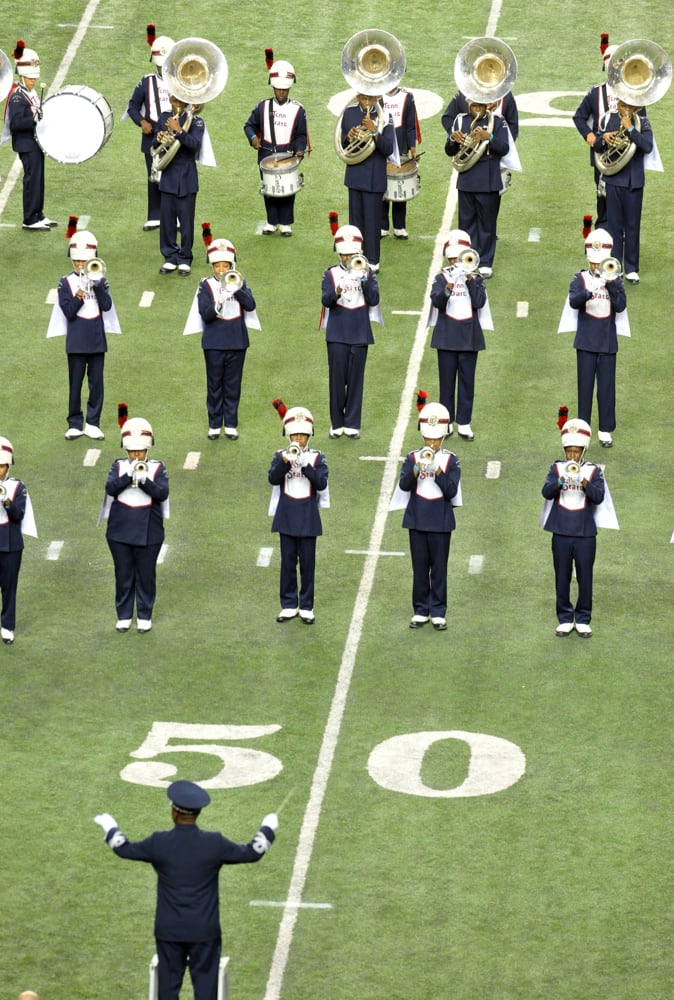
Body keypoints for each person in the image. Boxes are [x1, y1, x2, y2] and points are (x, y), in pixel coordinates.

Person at [94, 781, 278, 1000]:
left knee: (168, 993)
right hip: (204, 930)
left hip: (169, 930)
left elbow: (124, 849)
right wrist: (266, 829)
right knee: (206, 993)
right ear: (198, 813)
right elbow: (251, 853)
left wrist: (110, 828)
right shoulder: (214, 843)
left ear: (174, 812)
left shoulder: (158, 842)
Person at [183, 237, 260, 440]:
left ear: (231, 265)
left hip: (237, 341)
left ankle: (231, 424)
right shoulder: (205, 285)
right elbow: (205, 314)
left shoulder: (240, 280)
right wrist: (219, 301)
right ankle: (215, 423)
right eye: (217, 266)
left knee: (233, 384)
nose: (221, 270)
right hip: (214, 343)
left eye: (225, 265)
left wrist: (236, 289)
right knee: (215, 384)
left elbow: (251, 305)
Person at [48, 229, 121, 441]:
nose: (81, 265)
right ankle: (74, 422)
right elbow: (69, 311)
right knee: (75, 383)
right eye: (78, 261)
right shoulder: (65, 282)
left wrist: (95, 284)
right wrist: (80, 291)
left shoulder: (101, 280)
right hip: (76, 341)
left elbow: (106, 306)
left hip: (97, 340)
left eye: (85, 261)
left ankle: (93, 422)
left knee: (96, 384)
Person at [394, 402, 461, 631]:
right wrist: (417, 468)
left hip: (441, 522)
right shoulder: (413, 457)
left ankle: (439, 611)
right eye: (427, 439)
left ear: (442, 438)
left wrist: (437, 469)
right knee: (420, 567)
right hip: (417, 520)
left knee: (439, 568)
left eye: (435, 439)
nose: (430, 444)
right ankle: (421, 609)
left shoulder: (451, 460)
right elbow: (404, 484)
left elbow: (451, 491)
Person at [559, 228, 628, 449]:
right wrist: (591, 290)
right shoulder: (579, 278)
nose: (597, 267)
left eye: (601, 263)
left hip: (607, 342)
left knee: (607, 388)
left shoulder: (615, 279)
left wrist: (611, 284)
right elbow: (574, 301)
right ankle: (584, 427)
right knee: (585, 387)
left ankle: (605, 430)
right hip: (586, 342)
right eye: (594, 263)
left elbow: (620, 306)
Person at [99, 417, 169, 633]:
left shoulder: (158, 468)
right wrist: (129, 475)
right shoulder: (118, 466)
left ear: (147, 449)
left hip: (149, 531)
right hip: (120, 530)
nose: (136, 455)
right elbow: (110, 488)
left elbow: (161, 493)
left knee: (146, 574)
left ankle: (145, 615)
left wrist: (144, 479)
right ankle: (124, 615)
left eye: (139, 451)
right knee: (123, 573)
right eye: (132, 451)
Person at [541, 418, 606, 638]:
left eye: (576, 452)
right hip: (560, 531)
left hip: (585, 533)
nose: (572, 457)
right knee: (562, 575)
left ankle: (584, 618)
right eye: (569, 451)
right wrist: (561, 481)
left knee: (585, 576)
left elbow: (598, 497)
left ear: (583, 451)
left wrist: (583, 482)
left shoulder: (593, 471)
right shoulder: (557, 468)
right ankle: (565, 618)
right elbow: (546, 492)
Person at [427, 229, 492, 442]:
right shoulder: (441, 277)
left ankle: (464, 422)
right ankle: (445, 422)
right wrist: (448, 287)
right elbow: (437, 301)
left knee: (467, 381)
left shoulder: (476, 278)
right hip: (446, 337)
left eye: (460, 257)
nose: (457, 261)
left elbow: (479, 302)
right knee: (446, 382)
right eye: (454, 258)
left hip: (469, 337)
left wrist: (470, 279)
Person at [320, 225, 382, 439]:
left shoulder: (367, 271)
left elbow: (374, 299)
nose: (347, 258)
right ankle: (336, 423)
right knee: (337, 380)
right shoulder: (331, 273)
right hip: (337, 333)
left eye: (351, 254)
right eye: (344, 254)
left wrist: (363, 278)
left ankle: (352, 423)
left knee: (356, 380)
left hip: (359, 333)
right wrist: (337, 291)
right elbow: (325, 300)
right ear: (339, 253)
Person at [268, 405, 328, 624]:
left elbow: (321, 483)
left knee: (307, 563)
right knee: (287, 563)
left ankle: (307, 605)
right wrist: (287, 462)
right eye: (295, 435)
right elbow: (273, 478)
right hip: (286, 515)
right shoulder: (280, 456)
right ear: (288, 435)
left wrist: (305, 466)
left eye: (303, 435)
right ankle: (288, 604)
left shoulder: (317, 458)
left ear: (309, 435)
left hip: (308, 516)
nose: (299, 439)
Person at [444, 98, 509, 278]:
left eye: (480, 106)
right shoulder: (460, 120)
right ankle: (467, 258)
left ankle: (486, 262)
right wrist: (453, 140)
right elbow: (449, 151)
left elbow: (504, 148)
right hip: (467, 177)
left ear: (487, 105)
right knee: (466, 222)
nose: (476, 110)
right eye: (473, 106)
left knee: (487, 223)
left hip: (488, 178)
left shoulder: (497, 121)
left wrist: (490, 137)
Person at [243, 56, 308, 237]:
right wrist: (254, 139)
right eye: (278, 89)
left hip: (287, 154)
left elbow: (301, 135)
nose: (281, 93)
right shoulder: (262, 107)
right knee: (269, 189)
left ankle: (286, 223)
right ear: (273, 88)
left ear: (289, 89)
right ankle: (271, 222)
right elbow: (248, 126)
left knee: (288, 189)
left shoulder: (298, 110)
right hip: (266, 153)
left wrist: (300, 150)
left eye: (284, 90)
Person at [594, 99, 653, 284]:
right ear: (618, 104)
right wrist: (602, 139)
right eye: (622, 105)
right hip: (613, 180)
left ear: (636, 107)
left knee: (633, 226)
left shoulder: (642, 122)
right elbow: (595, 145)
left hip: (633, 181)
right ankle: (615, 265)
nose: (625, 109)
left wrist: (631, 129)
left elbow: (647, 146)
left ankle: (632, 269)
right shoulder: (607, 120)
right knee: (614, 226)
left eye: (629, 106)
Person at [125, 27, 175, 231]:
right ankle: (154, 215)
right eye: (159, 66)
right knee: (153, 175)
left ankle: (175, 217)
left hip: (175, 136)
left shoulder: (181, 81)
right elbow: (132, 107)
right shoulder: (146, 81)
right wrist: (141, 122)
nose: (162, 70)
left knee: (174, 178)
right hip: (152, 136)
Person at [4, 41, 57, 230]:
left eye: (34, 78)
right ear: (22, 76)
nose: (33, 81)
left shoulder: (29, 92)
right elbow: (17, 123)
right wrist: (35, 118)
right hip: (26, 144)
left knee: (38, 180)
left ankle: (38, 214)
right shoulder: (18, 97)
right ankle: (29, 219)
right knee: (31, 180)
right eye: (30, 78)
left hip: (35, 143)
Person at [339, 92, 394, 271]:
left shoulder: (386, 116)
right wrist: (349, 136)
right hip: (355, 175)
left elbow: (387, 148)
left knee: (372, 222)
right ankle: (355, 256)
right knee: (356, 220)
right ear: (358, 96)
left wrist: (375, 131)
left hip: (374, 177)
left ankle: (372, 260)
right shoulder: (349, 113)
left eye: (371, 98)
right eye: (364, 98)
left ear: (377, 97)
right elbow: (343, 146)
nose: (368, 102)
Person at [154, 94, 205, 276]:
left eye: (181, 101)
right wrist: (159, 137)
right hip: (168, 177)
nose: (177, 104)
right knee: (167, 222)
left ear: (186, 102)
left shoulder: (197, 122)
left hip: (187, 178)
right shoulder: (163, 118)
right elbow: (154, 145)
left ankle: (185, 257)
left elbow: (194, 145)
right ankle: (169, 256)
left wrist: (178, 131)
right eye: (174, 100)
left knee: (186, 223)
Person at [572, 39, 620, 227]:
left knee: (624, 199)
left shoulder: (634, 94)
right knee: (604, 198)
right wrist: (592, 138)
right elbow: (578, 117)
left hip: (627, 155)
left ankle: (620, 236)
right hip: (603, 154)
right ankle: (604, 235)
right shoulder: (595, 93)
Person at [0, 436, 37, 645]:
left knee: (9, 587)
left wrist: (5, 501)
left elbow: (18, 514)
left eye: (2, 466)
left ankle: (7, 626)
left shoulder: (18, 487)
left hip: (10, 545)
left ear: (8, 466)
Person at [380, 84, 420, 240]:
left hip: (401, 147)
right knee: (382, 187)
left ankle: (399, 226)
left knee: (399, 186)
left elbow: (411, 126)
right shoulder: (377, 94)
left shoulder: (407, 96)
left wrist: (413, 149)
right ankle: (382, 226)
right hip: (382, 145)